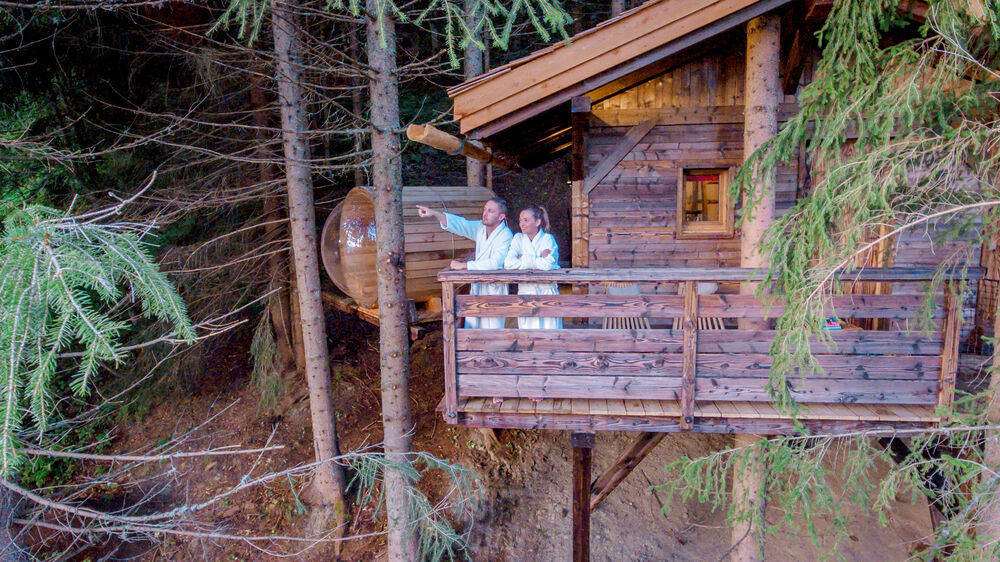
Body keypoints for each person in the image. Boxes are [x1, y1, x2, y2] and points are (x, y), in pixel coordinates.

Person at [415, 197, 513, 329]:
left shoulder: (506, 235)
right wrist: (434, 213)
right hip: (477, 288)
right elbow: (461, 224)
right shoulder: (480, 228)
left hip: (494, 290)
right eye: (485, 210)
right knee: (472, 330)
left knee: (492, 331)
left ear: (501, 216)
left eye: (490, 211)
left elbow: (495, 263)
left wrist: (465, 265)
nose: (485, 214)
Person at [504, 205, 562, 330]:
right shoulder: (518, 238)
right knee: (527, 334)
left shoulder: (547, 239)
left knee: (549, 333)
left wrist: (523, 258)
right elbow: (509, 264)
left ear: (537, 222)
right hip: (526, 292)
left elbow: (549, 264)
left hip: (546, 292)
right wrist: (538, 259)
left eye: (526, 220)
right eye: (520, 220)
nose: (522, 224)